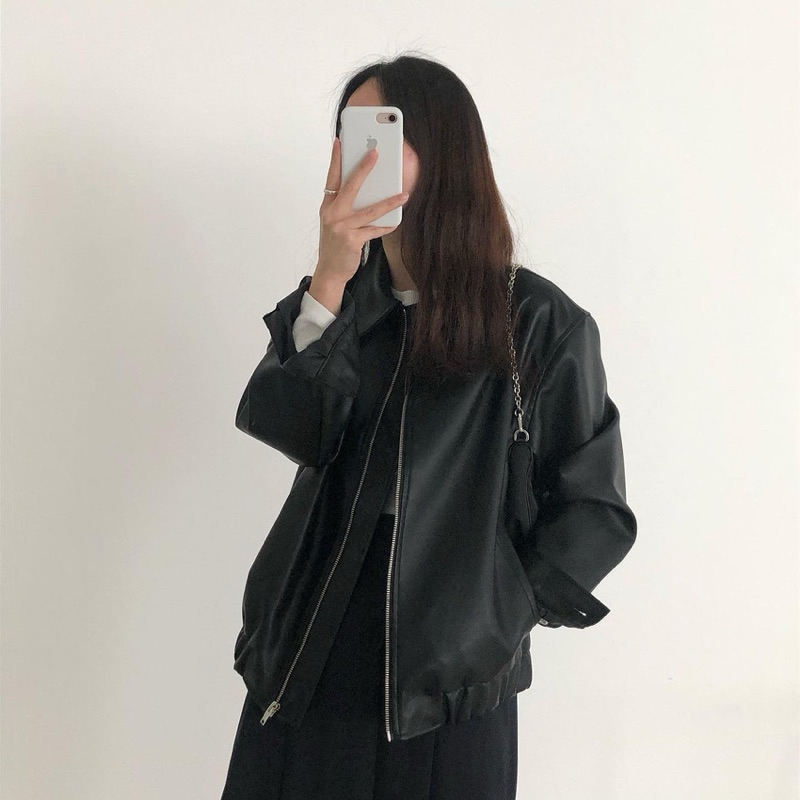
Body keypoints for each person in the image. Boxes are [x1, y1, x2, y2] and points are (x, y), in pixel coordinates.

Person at [220, 53, 637, 800]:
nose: (357, 159)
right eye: (348, 137)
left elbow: (594, 508)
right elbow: (295, 432)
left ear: (443, 151)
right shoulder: (340, 302)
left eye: (380, 135)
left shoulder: (536, 321)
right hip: (316, 632)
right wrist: (329, 278)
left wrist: (494, 612)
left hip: (451, 671)